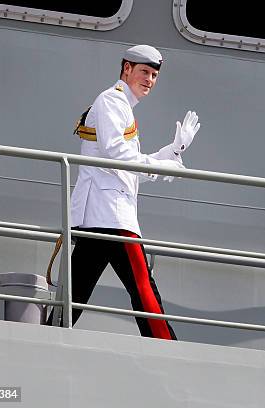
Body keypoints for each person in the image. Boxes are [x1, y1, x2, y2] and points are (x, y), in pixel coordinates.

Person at [48, 44, 201, 340]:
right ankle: (166, 346)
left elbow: (125, 171)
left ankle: (46, 338)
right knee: (143, 287)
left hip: (102, 213)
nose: (150, 80)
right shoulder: (112, 101)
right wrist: (162, 166)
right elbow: (115, 154)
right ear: (126, 68)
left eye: (154, 75)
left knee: (74, 293)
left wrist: (174, 150)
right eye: (145, 71)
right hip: (112, 216)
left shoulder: (120, 107)